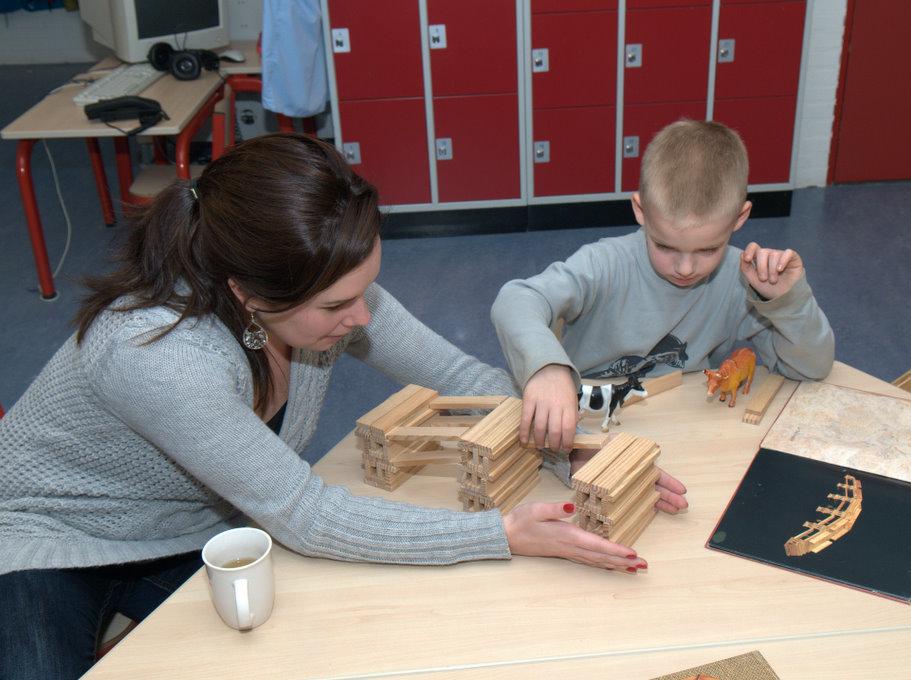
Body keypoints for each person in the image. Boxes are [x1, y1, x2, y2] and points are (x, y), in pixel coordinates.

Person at [0, 134, 649, 680]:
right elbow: (307, 515)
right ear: (248, 294)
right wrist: (502, 534)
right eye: (339, 306)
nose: (364, 317)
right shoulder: (158, 354)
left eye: (365, 288)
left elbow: (455, 374)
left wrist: (570, 441)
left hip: (195, 529)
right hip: (51, 542)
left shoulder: (310, 290)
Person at [491, 119, 835, 459]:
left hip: (686, 436)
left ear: (739, 219)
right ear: (641, 210)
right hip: (589, 434)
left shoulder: (742, 279)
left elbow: (809, 369)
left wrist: (788, 302)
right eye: (665, 246)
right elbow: (516, 300)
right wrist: (545, 368)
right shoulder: (605, 263)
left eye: (707, 250)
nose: (685, 268)